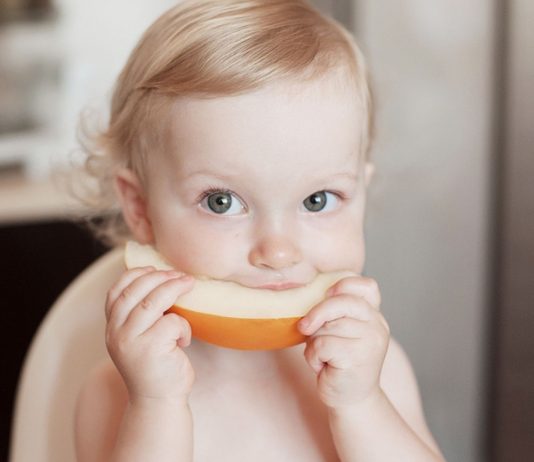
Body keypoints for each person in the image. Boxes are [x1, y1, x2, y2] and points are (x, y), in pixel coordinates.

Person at [74, 1, 446, 461]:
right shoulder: (117, 393)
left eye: (317, 200)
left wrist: (361, 405)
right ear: (140, 206)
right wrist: (156, 405)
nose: (278, 251)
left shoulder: (378, 370)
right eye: (221, 202)